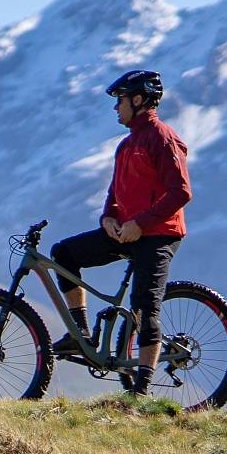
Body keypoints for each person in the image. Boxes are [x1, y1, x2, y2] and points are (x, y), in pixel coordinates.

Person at [47, 68, 189, 383]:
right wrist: (108, 218)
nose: (115, 107)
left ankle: (141, 389)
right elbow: (116, 193)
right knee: (64, 254)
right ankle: (81, 334)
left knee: (144, 305)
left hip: (159, 235)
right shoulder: (126, 145)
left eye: (120, 100)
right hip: (126, 231)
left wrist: (142, 223)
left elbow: (181, 192)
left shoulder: (163, 138)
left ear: (138, 100)